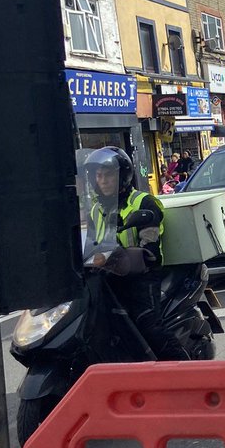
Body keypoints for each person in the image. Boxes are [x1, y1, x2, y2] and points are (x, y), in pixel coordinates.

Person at [84, 147, 188, 361]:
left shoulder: (143, 203)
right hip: (108, 277)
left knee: (148, 325)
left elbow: (149, 247)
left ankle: (189, 373)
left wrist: (116, 258)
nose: (102, 180)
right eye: (98, 175)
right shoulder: (95, 209)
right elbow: (91, 244)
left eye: (109, 174)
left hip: (142, 274)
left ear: (123, 176)